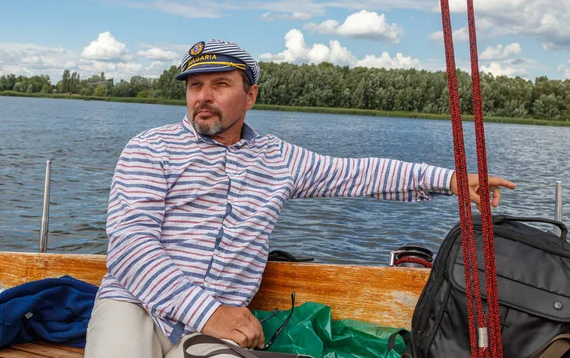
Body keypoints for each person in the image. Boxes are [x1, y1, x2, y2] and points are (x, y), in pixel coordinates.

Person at [84, 39, 516, 358]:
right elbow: (130, 247)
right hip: (136, 304)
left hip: (221, 326)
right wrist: (208, 311)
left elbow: (357, 174)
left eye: (220, 84)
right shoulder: (149, 148)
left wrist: (453, 180)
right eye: (195, 85)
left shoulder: (279, 160)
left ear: (250, 95)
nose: (204, 97)